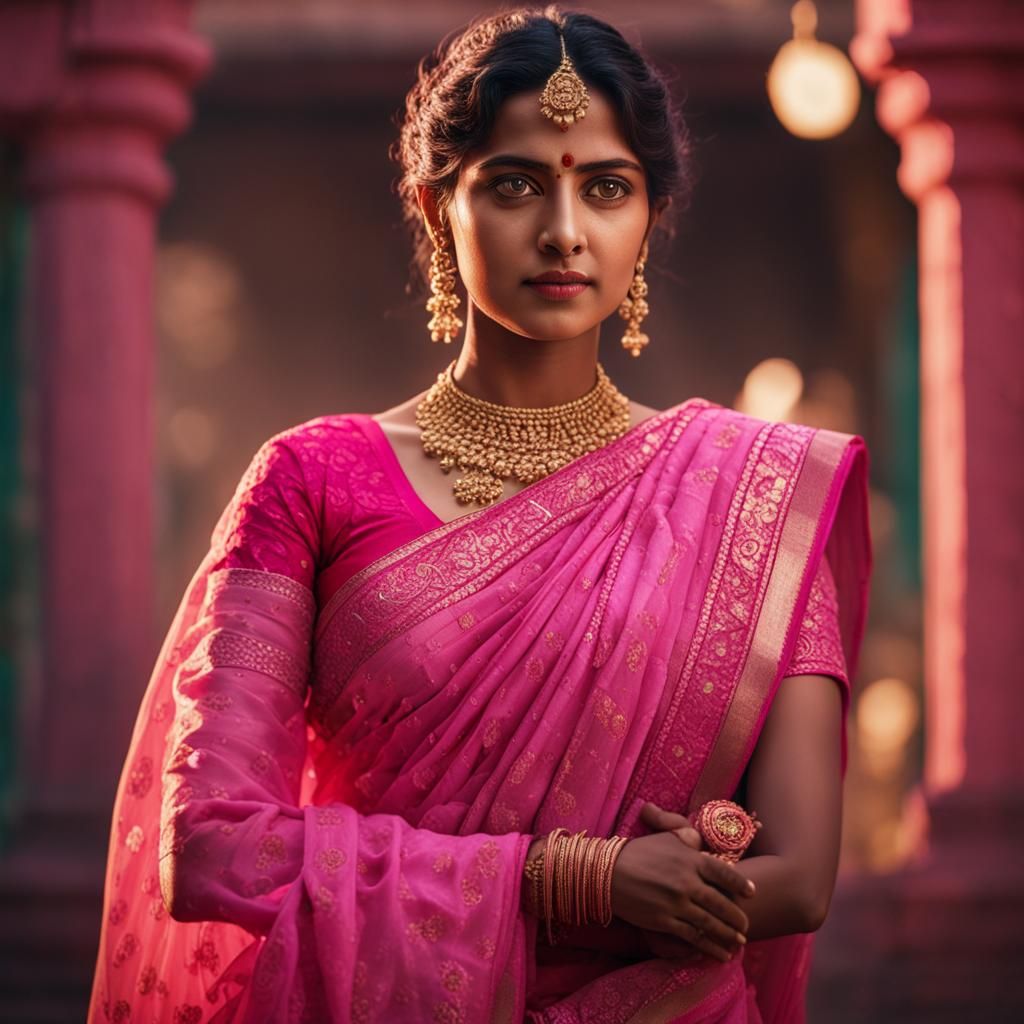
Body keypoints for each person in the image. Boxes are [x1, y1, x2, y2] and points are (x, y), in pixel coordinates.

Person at [88, 6, 872, 1022]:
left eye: (605, 188)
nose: (562, 230)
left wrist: (684, 872)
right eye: (513, 185)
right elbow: (211, 845)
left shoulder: (751, 492)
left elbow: (801, 875)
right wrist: (573, 878)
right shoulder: (309, 481)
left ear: (649, 217)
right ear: (432, 206)